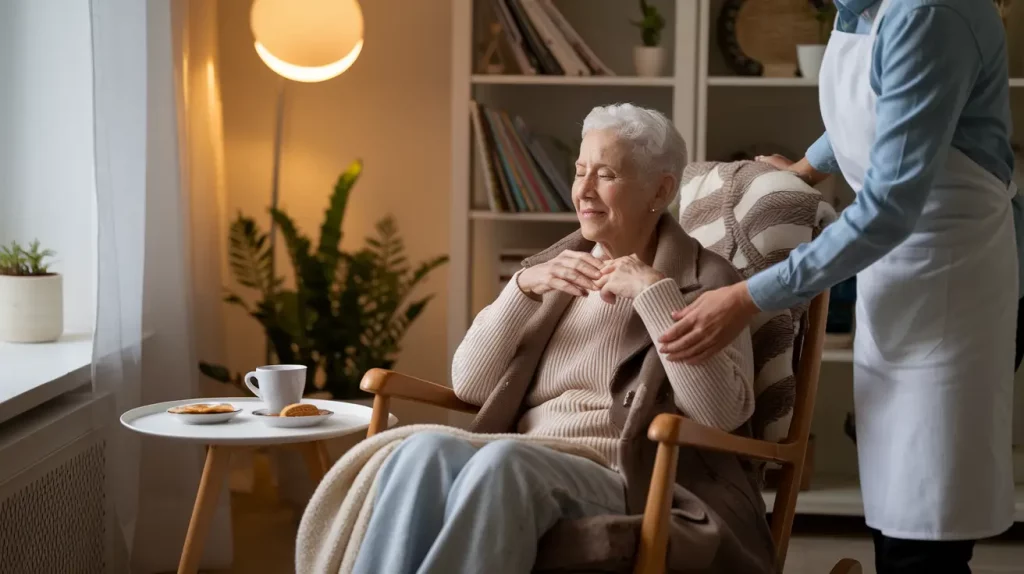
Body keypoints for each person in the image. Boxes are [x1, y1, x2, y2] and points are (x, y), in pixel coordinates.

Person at [658, 1, 1020, 572]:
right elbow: (882, 106)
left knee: (924, 535)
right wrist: (805, 167)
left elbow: (887, 211)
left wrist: (747, 297)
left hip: (952, 277)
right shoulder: (862, 7)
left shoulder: (930, 12)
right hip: (901, 275)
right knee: (897, 517)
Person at [350, 104, 774, 574]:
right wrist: (522, 288)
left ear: (661, 189)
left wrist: (655, 295)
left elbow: (720, 414)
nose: (584, 191)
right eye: (579, 172)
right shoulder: (555, 268)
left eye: (605, 174)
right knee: (421, 451)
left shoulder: (707, 280)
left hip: (624, 473)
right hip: (528, 458)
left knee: (504, 461)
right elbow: (469, 386)